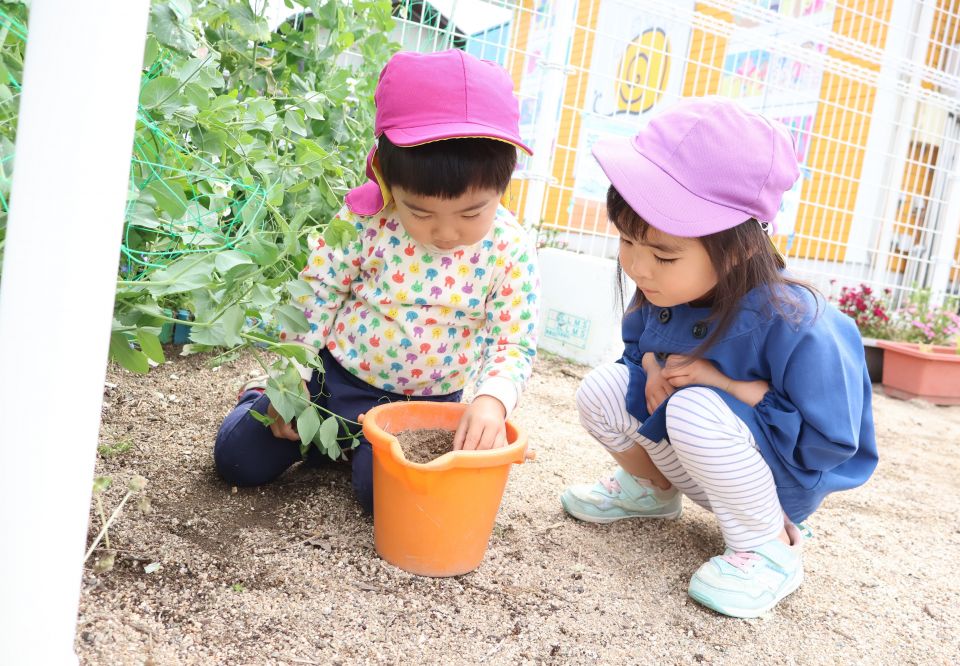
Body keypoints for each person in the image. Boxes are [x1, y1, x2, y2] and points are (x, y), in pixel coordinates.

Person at [560, 97, 877, 618]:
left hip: (769, 482)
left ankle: (771, 548)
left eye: (663, 254)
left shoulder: (800, 322)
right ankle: (651, 491)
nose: (639, 267)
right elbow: (636, 348)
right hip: (689, 454)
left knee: (692, 408)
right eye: (626, 241)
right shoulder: (667, 289)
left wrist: (723, 387)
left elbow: (831, 441)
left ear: (740, 248)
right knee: (600, 390)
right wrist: (652, 369)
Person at [214, 50, 539, 513]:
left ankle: (351, 452)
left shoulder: (509, 248)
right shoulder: (366, 220)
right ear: (387, 181)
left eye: (472, 212)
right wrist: (293, 375)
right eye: (420, 212)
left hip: (422, 409)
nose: (446, 233)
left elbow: (513, 341)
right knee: (239, 460)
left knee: (383, 498)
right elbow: (318, 292)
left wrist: (491, 402)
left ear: (504, 186)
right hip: (334, 381)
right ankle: (268, 405)